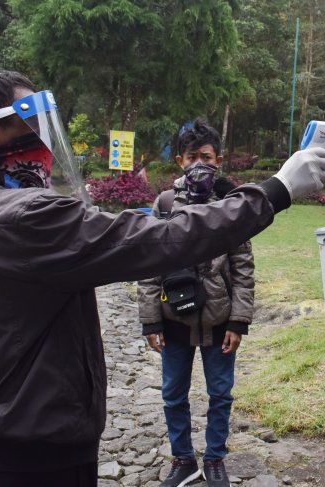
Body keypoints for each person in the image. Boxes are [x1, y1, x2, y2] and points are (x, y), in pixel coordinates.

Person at [0, 68, 325, 487]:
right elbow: (159, 240)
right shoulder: (21, 217)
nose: (44, 140)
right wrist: (276, 190)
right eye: (33, 124)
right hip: (35, 451)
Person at [137, 120, 253, 487]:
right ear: (179, 161)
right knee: (173, 393)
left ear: (218, 160)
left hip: (220, 319)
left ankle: (215, 458)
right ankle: (183, 458)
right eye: (192, 157)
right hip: (174, 318)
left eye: (207, 157)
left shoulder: (232, 204)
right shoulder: (166, 203)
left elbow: (243, 266)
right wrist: (151, 321)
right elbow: (149, 263)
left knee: (220, 392)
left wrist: (239, 321)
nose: (199, 164)